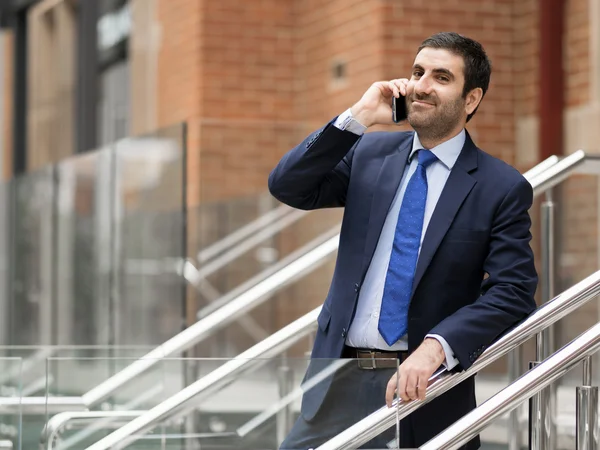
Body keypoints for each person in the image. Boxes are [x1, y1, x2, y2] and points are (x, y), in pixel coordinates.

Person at [268, 32, 537, 450]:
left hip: (423, 392)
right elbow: (288, 186)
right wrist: (358, 116)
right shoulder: (370, 154)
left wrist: (436, 347)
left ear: (471, 99)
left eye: (441, 77)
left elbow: (513, 291)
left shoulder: (499, 187)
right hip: (335, 384)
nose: (421, 85)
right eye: (417, 72)